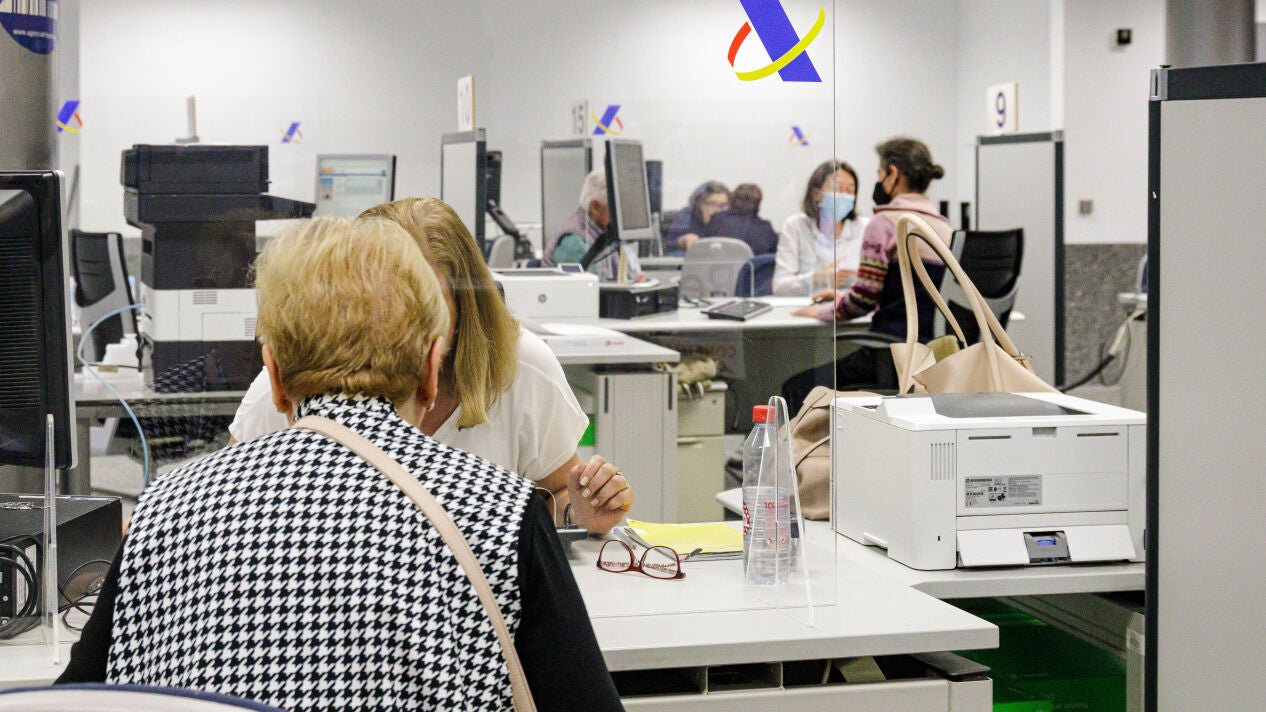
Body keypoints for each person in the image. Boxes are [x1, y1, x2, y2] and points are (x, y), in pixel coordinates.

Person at [57, 217, 624, 711]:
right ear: (431, 370)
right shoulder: (503, 513)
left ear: (275, 377)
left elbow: (74, 696)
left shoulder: (165, 508)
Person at [230, 198, 632, 535]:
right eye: (390, 303)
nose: (409, 324)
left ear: (467, 306)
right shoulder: (299, 379)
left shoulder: (522, 367)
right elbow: (229, 499)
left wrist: (580, 513)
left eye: (430, 305)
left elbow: (557, 493)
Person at [783, 138, 951, 413]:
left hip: (888, 354)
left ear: (893, 174)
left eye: (879, 173)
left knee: (796, 388)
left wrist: (822, 311)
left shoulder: (885, 222)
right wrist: (843, 296)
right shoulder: (944, 228)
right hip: (927, 359)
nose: (879, 181)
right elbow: (908, 293)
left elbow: (862, 301)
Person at [772, 160, 870, 296]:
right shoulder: (795, 226)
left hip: (850, 305)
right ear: (816, 194)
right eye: (836, 188)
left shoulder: (866, 228)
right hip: (807, 304)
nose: (843, 195)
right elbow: (780, 286)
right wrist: (816, 279)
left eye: (850, 190)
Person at [543, 169, 640, 282]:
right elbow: (580, 289)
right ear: (595, 208)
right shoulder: (575, 242)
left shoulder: (606, 236)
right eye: (617, 207)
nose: (624, 214)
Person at [703, 183, 778, 255]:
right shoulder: (765, 228)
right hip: (751, 264)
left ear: (731, 200)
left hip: (721, 264)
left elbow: (705, 249)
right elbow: (775, 257)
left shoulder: (716, 220)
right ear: (758, 205)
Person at [665, 181, 729, 253]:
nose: (718, 211)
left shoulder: (731, 220)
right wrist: (683, 240)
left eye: (724, 206)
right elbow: (670, 243)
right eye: (712, 205)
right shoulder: (686, 216)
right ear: (699, 204)